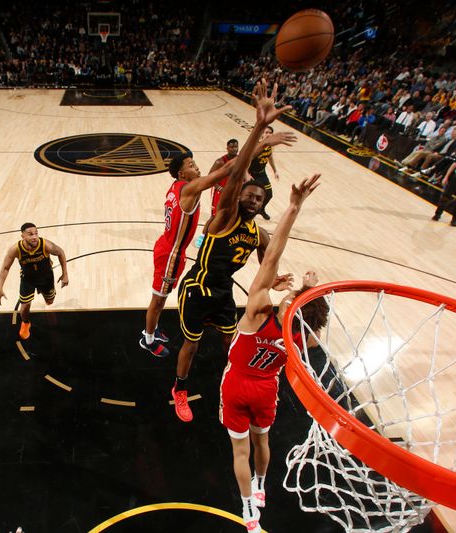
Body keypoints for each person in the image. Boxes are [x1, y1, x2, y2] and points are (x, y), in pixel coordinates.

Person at [172, 79, 296, 422]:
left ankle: (233, 386)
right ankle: (179, 388)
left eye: (259, 198)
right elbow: (239, 170)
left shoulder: (257, 234)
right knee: (192, 346)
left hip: (224, 293)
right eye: (249, 195)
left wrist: (272, 281)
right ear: (238, 195)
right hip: (197, 289)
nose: (254, 199)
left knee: (236, 344)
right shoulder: (224, 216)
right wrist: (259, 128)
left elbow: (268, 257)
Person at [219, 176, 324, 533]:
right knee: (261, 440)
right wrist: (312, 290)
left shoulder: (258, 310)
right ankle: (262, 485)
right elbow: (314, 317)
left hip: (237, 384)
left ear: (288, 306)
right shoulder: (301, 335)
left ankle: (249, 506)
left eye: (293, 297)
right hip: (267, 387)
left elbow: (273, 252)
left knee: (239, 452)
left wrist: (293, 208)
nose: (290, 293)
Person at [140, 148, 239, 357]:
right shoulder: (189, 190)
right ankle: (147, 339)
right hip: (171, 255)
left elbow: (209, 178)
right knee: (158, 301)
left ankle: (153, 328)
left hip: (168, 247)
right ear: (182, 174)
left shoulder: (177, 186)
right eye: (191, 165)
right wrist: (253, 149)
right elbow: (223, 172)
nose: (197, 167)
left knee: (162, 298)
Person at [0, 222, 68, 340]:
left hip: (46, 277)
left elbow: (61, 252)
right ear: (22, 236)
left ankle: (46, 300)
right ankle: (25, 323)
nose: (34, 237)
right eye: (30, 234)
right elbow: (5, 268)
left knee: (50, 302)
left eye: (36, 233)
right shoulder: (15, 249)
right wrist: (0, 288)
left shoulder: (45, 245)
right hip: (28, 279)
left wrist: (65, 274)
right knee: (24, 307)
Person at [193, 139, 239, 248]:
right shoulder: (220, 162)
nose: (234, 149)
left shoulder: (240, 160)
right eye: (232, 147)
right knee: (215, 216)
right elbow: (210, 177)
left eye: (236, 147)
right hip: (219, 191)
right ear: (227, 148)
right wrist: (219, 187)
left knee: (231, 216)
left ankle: (223, 237)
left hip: (233, 192)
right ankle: (202, 236)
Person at [248, 121, 290, 220]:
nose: (268, 134)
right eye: (266, 132)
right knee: (251, 195)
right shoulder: (256, 146)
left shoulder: (270, 146)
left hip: (261, 173)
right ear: (262, 134)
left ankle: (261, 209)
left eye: (270, 132)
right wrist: (246, 174)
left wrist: (275, 170)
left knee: (269, 194)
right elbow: (248, 160)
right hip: (251, 173)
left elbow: (270, 157)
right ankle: (248, 212)